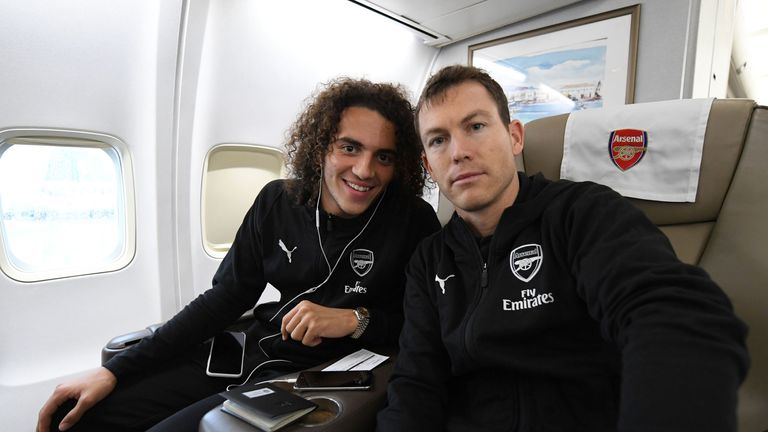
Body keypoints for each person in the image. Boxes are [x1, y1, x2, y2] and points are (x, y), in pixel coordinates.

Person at [38, 77, 441, 432]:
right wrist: (114, 370)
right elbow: (226, 298)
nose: (365, 170)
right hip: (243, 351)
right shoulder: (278, 201)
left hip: (306, 376)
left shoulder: (412, 220)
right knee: (75, 417)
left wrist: (355, 320)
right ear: (321, 147)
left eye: (383, 156)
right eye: (349, 148)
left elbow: (425, 326)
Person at [376, 65, 750, 431]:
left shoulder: (582, 214)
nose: (458, 152)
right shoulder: (429, 260)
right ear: (427, 163)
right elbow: (416, 384)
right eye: (438, 140)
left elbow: (672, 315)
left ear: (514, 137)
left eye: (475, 126)